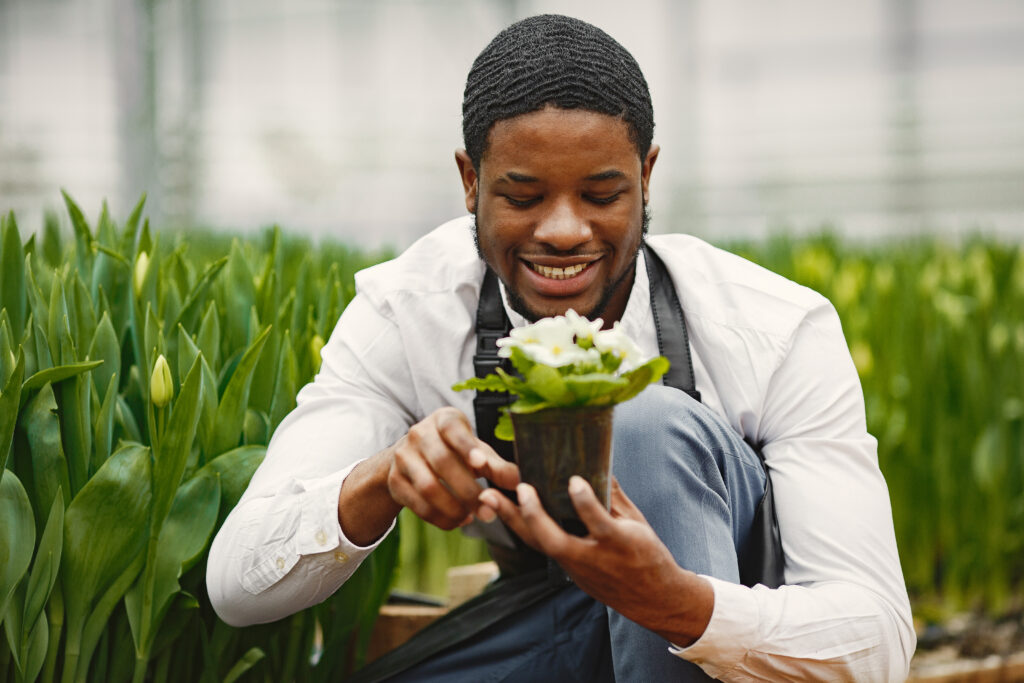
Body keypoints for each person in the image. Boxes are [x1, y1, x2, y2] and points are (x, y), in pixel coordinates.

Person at [207, 14, 916, 681]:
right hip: (555, 616)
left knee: (645, 422)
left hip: (734, 636)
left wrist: (676, 599)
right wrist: (381, 478)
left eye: (602, 193)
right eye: (522, 196)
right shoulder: (410, 313)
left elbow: (880, 640)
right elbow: (237, 584)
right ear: (469, 181)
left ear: (646, 176)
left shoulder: (771, 328)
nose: (564, 231)